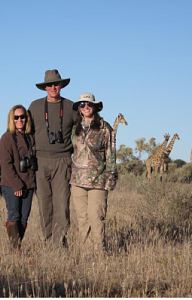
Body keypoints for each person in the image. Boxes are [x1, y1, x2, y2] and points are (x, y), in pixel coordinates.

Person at [28, 69, 76, 248]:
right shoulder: (35, 106)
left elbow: (83, 130)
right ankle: (49, 243)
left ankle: (59, 242)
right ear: (45, 87)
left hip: (63, 160)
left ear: (61, 85)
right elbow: (24, 130)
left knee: (62, 205)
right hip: (40, 161)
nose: (53, 87)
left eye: (56, 84)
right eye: (50, 85)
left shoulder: (71, 106)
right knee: (44, 205)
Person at [70, 93, 118, 252]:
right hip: (77, 181)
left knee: (96, 218)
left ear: (95, 106)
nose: (85, 107)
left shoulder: (105, 127)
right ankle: (86, 253)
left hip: (98, 180)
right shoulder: (74, 128)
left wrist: (111, 176)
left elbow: (111, 153)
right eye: (82, 104)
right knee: (82, 219)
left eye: (89, 104)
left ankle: (99, 253)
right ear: (79, 108)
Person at [0, 105, 36, 253]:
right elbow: (6, 165)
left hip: (29, 183)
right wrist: (16, 185)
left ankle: (17, 245)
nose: (20, 120)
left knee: (24, 218)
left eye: (22, 117)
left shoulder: (31, 137)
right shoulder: (7, 137)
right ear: (11, 120)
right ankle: (15, 249)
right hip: (12, 184)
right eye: (16, 117)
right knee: (14, 214)